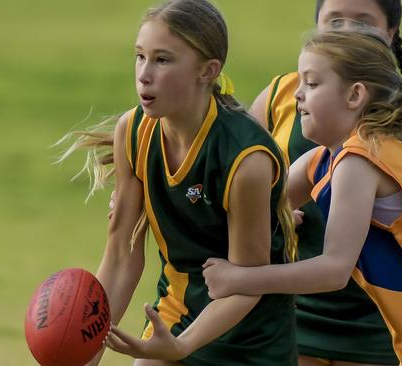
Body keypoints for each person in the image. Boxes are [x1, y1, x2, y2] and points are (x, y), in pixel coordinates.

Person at [202, 30, 402, 366]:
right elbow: (256, 202)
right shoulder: (326, 158)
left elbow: (333, 271)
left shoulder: (360, 160)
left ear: (355, 95)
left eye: (311, 84)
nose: (297, 94)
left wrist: (239, 278)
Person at [59, 1, 298, 365]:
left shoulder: (245, 158)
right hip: (174, 315)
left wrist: (183, 346)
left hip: (250, 339)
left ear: (208, 71)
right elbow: (122, 255)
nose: (144, 74)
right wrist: (84, 353)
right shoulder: (134, 130)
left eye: (163, 60)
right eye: (140, 56)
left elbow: (245, 285)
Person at [245, 1, 402, 365]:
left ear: (390, 34)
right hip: (290, 301)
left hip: (383, 315)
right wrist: (276, 216)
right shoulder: (286, 94)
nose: (346, 30)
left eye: (363, 22)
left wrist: (374, 209)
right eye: (334, 20)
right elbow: (238, 183)